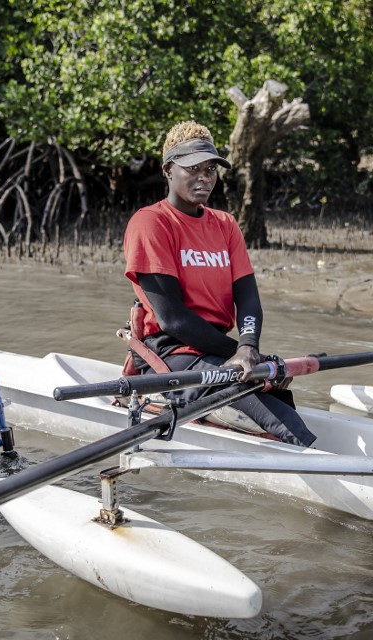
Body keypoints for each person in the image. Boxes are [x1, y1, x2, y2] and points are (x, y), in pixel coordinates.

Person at [123, 120, 316, 447]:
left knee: (279, 399)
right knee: (288, 428)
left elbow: (249, 299)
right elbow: (173, 318)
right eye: (193, 168)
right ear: (169, 170)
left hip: (214, 348)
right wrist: (240, 354)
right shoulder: (151, 222)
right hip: (170, 351)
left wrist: (249, 346)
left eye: (211, 169)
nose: (204, 177)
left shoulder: (225, 224)